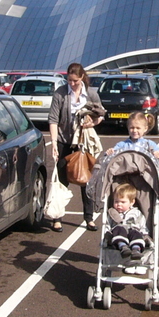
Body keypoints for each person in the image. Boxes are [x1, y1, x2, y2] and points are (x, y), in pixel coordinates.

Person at [48, 63, 105, 232]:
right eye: (69, 80)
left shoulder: (91, 93)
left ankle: (89, 218)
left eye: (74, 81)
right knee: (61, 178)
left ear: (81, 78)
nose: (71, 84)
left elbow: (101, 114)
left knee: (85, 178)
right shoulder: (60, 94)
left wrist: (92, 123)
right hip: (64, 140)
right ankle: (57, 218)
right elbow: (53, 119)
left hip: (82, 142)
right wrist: (53, 143)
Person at [107, 183, 147, 260]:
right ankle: (123, 247)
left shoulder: (136, 213)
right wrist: (107, 233)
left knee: (136, 233)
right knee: (119, 228)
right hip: (118, 232)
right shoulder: (113, 213)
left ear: (132, 202)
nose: (119, 205)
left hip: (133, 230)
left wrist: (144, 233)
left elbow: (142, 224)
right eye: (116, 201)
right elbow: (107, 224)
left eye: (123, 202)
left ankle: (136, 250)